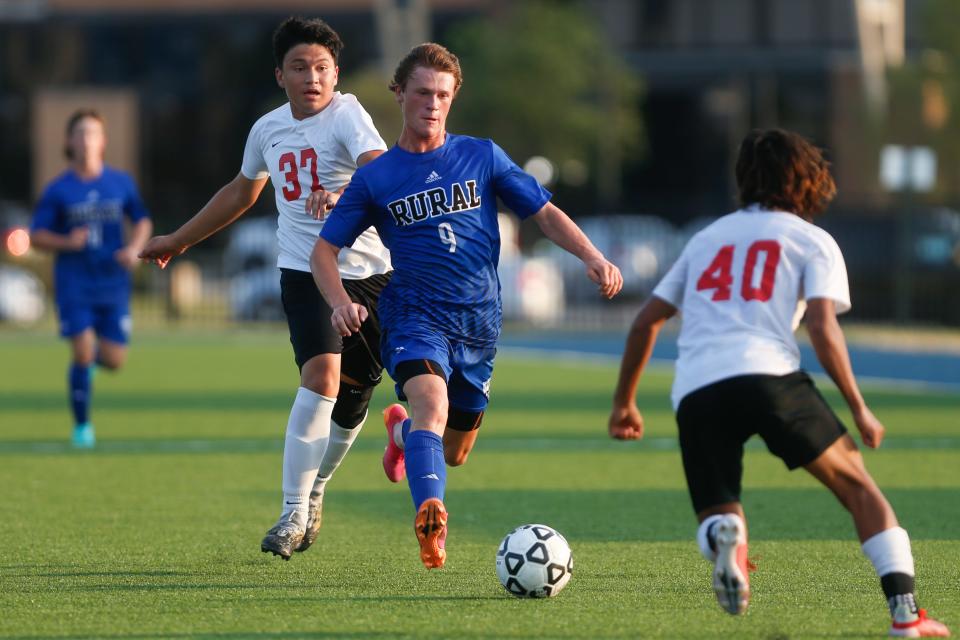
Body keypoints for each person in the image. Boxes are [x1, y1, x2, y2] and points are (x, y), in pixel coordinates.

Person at [607, 129, 949, 637]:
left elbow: (644, 322)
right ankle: (906, 616)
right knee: (859, 488)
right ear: (811, 179)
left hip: (699, 390)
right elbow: (822, 327)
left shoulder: (706, 239)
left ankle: (730, 541)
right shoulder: (812, 240)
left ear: (745, 180)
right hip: (771, 378)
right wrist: (858, 406)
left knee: (718, 509)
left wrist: (624, 405)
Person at [312, 43, 623, 570]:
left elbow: (542, 213)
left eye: (443, 95)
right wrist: (341, 302)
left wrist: (591, 255)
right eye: (422, 93)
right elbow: (324, 250)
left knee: (453, 450)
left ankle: (400, 434)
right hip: (413, 315)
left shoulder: (482, 155)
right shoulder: (377, 177)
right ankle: (430, 517)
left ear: (453, 98)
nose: (432, 104)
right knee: (431, 405)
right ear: (400, 94)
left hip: (480, 323)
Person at [138, 16, 391, 560]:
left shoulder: (349, 114)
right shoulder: (267, 130)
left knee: (353, 402)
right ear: (280, 75)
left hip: (370, 273)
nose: (312, 77)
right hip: (304, 271)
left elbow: (379, 168)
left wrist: (343, 194)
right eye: (299, 67)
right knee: (321, 375)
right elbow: (240, 193)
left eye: (321, 67)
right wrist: (178, 240)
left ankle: (316, 488)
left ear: (335, 73)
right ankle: (291, 511)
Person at [29, 109, 153, 449]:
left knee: (113, 360)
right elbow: (36, 235)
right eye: (80, 133)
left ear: (103, 140)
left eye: (93, 133)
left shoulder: (120, 182)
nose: (87, 140)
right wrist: (67, 242)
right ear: (69, 141)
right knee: (82, 352)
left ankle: (87, 370)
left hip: (113, 283)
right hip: (75, 283)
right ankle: (82, 427)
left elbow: (142, 220)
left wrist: (134, 248)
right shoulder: (59, 190)